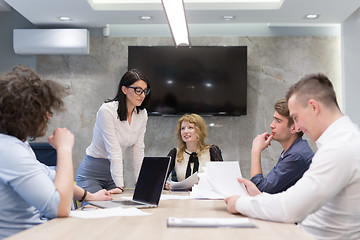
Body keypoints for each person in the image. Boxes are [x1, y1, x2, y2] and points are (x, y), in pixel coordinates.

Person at [225, 73, 360, 240]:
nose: (297, 126)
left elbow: (290, 208)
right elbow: (295, 199)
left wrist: (239, 203)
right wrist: (260, 196)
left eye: (296, 117)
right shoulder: (343, 139)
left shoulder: (339, 147)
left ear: (314, 107)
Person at [0, 66, 112, 239]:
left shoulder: (15, 145)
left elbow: (50, 175)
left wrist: (90, 196)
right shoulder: (9, 151)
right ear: (28, 114)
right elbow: (60, 207)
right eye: (45, 110)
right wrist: (64, 149)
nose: (48, 116)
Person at [76, 69, 151, 194]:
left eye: (145, 91)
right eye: (138, 90)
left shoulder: (142, 114)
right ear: (124, 89)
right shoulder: (107, 110)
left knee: (117, 211)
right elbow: (113, 148)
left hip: (112, 174)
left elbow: (138, 150)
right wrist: (120, 185)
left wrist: (140, 183)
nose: (142, 95)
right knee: (97, 210)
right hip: (92, 174)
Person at [250, 99, 313, 193]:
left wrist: (255, 151)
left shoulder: (296, 156)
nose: (271, 125)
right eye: (273, 119)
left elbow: (259, 191)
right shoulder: (295, 150)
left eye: (278, 121)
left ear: (295, 128)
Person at [165, 113, 223, 189]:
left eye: (190, 127)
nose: (185, 131)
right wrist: (166, 186)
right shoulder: (175, 152)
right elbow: (159, 181)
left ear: (199, 130)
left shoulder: (212, 151)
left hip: (205, 198)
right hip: (180, 199)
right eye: (183, 128)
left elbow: (221, 180)